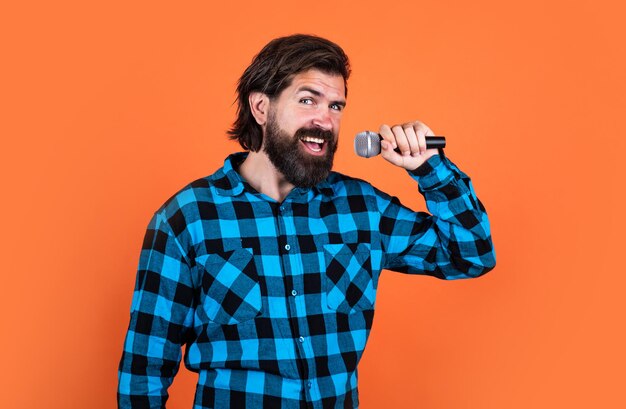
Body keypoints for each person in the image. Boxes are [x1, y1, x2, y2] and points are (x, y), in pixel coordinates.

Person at [118, 34, 496, 409]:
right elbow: (144, 369)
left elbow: (471, 255)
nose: (325, 120)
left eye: (335, 106)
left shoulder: (361, 208)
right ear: (262, 107)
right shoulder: (188, 218)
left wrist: (430, 169)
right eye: (307, 100)